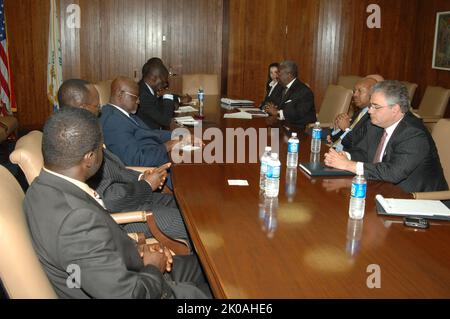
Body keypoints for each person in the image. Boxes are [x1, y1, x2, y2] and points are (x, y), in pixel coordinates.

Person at [24, 107, 211, 298]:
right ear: (89, 158)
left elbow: (96, 254)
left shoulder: (40, 188)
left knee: (208, 265)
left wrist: (139, 249)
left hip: (130, 264)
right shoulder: (76, 221)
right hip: (146, 286)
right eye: (100, 148)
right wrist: (154, 267)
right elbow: (128, 294)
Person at [57, 79, 188, 240]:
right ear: (82, 108)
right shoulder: (73, 145)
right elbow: (109, 198)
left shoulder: (85, 131)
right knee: (193, 224)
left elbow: (116, 169)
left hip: (133, 196)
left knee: (189, 206)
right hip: (125, 217)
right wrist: (146, 184)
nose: (100, 111)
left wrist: (142, 177)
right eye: (97, 107)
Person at [324, 80, 448, 193]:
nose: (370, 111)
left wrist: (347, 165)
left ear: (395, 109)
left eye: (376, 107)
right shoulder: (375, 124)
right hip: (383, 190)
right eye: (370, 106)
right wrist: (346, 156)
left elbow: (393, 172)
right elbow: (365, 153)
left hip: (418, 200)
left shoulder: (414, 133)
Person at [100, 76, 179, 168]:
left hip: (158, 158)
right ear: (120, 94)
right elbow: (136, 160)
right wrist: (167, 146)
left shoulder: (124, 114)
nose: (138, 101)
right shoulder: (113, 121)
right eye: (135, 97)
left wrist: (177, 135)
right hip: (154, 170)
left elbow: (150, 133)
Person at [137, 58, 191, 130]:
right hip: (150, 135)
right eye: (163, 82)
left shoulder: (147, 88)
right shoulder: (143, 94)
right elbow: (166, 121)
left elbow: (161, 105)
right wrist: (167, 95)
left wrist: (175, 100)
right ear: (153, 78)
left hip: (156, 131)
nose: (164, 85)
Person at [328, 77, 378, 151]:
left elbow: (356, 145)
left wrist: (346, 129)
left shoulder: (373, 117)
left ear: (372, 93)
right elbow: (337, 139)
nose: (355, 95)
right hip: (334, 149)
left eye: (359, 91)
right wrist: (338, 127)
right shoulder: (360, 111)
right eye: (354, 91)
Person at [264, 60, 317, 129]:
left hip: (299, 130)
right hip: (283, 126)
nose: (277, 76)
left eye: (279, 74)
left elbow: (298, 113)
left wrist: (277, 112)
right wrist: (273, 108)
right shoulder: (283, 88)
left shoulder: (304, 91)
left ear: (289, 75)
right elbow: (280, 106)